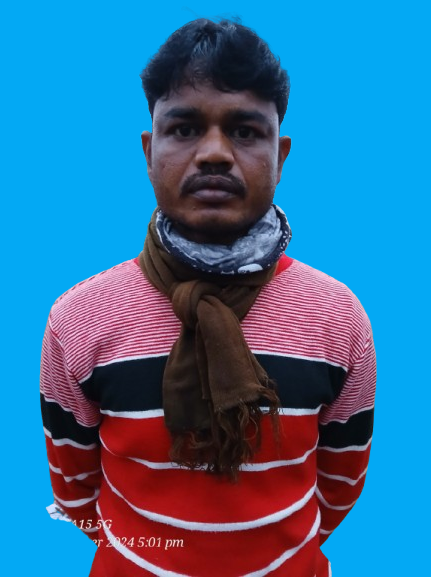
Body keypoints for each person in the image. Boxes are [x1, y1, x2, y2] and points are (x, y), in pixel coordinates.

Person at [40, 18, 376, 577]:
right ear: (149, 151)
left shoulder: (337, 316)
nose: (215, 153)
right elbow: (74, 489)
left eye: (244, 131)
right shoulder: (79, 318)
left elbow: (340, 482)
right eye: (184, 128)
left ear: (280, 156)